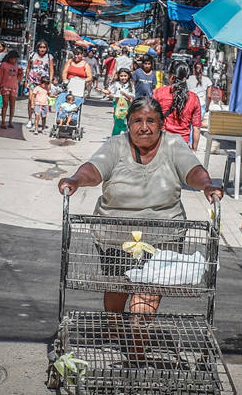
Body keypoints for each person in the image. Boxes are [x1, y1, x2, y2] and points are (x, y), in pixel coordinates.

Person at [57, 96, 223, 319]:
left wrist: (207, 185)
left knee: (146, 297)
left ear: (161, 123)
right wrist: (76, 180)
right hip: (115, 236)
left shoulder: (173, 145)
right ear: (128, 123)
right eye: (137, 121)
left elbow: (193, 170)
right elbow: (94, 169)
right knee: (117, 289)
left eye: (151, 121)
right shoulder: (116, 144)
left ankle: (137, 337)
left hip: (163, 236)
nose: (144, 127)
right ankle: (114, 328)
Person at [152, 60, 202, 150]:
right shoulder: (194, 98)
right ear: (185, 78)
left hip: (161, 142)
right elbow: (196, 128)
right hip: (182, 144)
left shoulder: (159, 93)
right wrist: (194, 149)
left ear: (171, 76)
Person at [102, 68, 134, 135]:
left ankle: (121, 134)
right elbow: (109, 91)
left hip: (126, 105)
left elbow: (131, 97)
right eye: (121, 76)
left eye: (125, 76)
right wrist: (102, 91)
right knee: (117, 121)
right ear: (118, 76)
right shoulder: (116, 84)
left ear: (128, 76)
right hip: (117, 105)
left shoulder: (130, 85)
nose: (123, 77)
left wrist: (124, 94)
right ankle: (116, 136)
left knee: (123, 121)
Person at [0, 50, 21, 129]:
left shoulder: (16, 66)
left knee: (12, 105)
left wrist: (20, 73)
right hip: (5, 87)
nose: (15, 60)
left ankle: (10, 122)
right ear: (10, 58)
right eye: (14, 58)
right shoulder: (3, 65)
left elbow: (18, 78)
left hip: (14, 87)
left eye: (16, 59)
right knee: (5, 104)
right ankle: (3, 122)